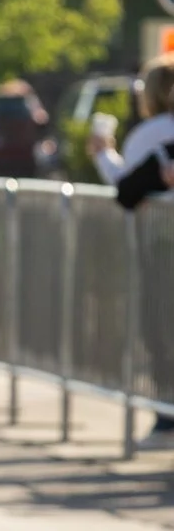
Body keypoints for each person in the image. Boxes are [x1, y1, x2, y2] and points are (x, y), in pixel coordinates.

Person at [93, 57, 174, 447]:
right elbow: (133, 188)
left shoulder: (150, 134)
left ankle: (166, 415)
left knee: (160, 329)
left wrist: (102, 154)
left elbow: (126, 190)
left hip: (161, 245)